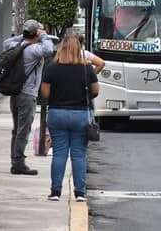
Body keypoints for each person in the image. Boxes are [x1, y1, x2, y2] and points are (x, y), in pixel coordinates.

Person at [40, 34, 99, 202]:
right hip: (81, 115)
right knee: (79, 154)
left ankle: (55, 192)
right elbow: (95, 91)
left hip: (57, 113)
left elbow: (45, 93)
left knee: (59, 154)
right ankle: (80, 193)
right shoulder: (87, 68)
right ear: (79, 49)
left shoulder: (52, 67)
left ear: (62, 48)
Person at [3, 19, 55, 175]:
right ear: (36, 34)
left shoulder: (15, 45)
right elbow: (49, 50)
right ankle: (18, 162)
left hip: (15, 93)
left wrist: (25, 35)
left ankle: (15, 159)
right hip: (27, 95)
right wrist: (44, 35)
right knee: (23, 130)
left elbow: (7, 41)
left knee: (16, 129)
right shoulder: (33, 50)